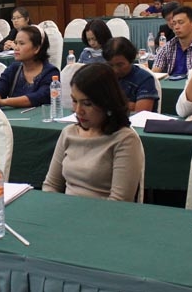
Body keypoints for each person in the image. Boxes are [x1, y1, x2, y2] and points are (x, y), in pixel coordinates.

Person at [42, 64, 145, 201]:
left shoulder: (125, 139)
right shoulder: (69, 132)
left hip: (104, 212)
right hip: (65, 209)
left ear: (106, 103)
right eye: (74, 101)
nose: (78, 111)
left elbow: (119, 201)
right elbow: (51, 185)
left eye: (87, 104)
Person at [0, 25, 59, 108]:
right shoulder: (14, 68)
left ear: (36, 48)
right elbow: (0, 87)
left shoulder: (50, 72)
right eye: (16, 43)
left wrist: (4, 102)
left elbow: (38, 97)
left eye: (21, 44)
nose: (16, 48)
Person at [102, 37, 158, 113]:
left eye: (120, 65)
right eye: (110, 65)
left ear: (131, 60)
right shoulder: (104, 76)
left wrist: (110, 105)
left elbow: (141, 114)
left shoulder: (145, 79)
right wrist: (129, 105)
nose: (115, 70)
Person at [151, 6, 192, 76]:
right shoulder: (167, 47)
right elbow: (154, 73)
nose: (176, 27)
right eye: (174, 23)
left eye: (180, 22)